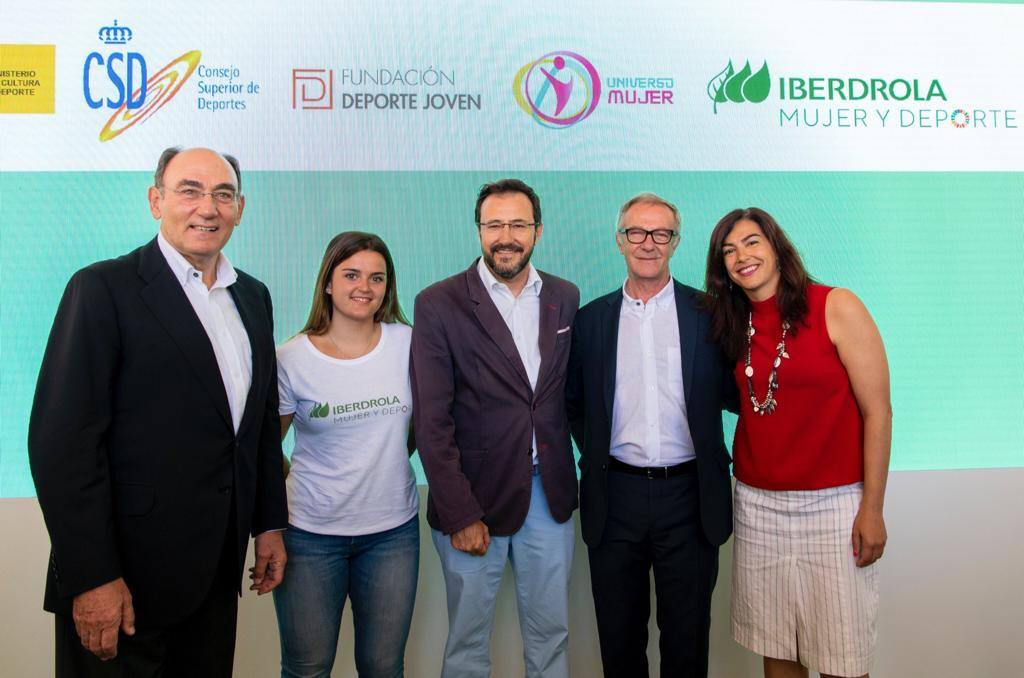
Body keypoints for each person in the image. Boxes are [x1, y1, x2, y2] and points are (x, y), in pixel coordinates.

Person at [28, 147, 288, 677]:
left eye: (223, 194)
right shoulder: (103, 288)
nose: (207, 208)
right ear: (156, 201)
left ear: (241, 208)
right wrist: (92, 577)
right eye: (189, 190)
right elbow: (63, 444)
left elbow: (257, 430)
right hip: (122, 585)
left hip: (215, 580)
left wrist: (269, 525)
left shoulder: (253, 298)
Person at [703, 207, 891, 678]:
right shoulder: (731, 322)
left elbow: (878, 413)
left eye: (750, 242)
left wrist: (872, 507)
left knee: (842, 654)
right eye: (728, 251)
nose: (740, 256)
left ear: (775, 246)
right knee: (777, 644)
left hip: (833, 506)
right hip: (757, 503)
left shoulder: (836, 305)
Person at [411, 179, 580, 678]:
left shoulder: (564, 296)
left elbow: (566, 397)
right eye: (494, 225)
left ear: (538, 230)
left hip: (547, 495)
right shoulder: (439, 302)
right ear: (479, 230)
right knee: (467, 643)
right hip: (472, 499)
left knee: (551, 637)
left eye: (518, 224)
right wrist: (460, 511)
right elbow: (431, 420)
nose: (506, 236)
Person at [566, 193, 737, 678]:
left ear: (675, 242)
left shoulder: (710, 313)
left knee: (687, 644)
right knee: (619, 645)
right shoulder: (591, 321)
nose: (648, 243)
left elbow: (735, 393)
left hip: (690, 498)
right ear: (619, 240)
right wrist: (599, 454)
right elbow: (573, 405)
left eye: (660, 233)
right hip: (614, 497)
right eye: (636, 233)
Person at [272, 232, 419, 678]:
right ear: (328, 284)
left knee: (383, 667)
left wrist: (387, 457)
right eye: (351, 274)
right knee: (308, 668)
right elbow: (267, 449)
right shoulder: (291, 358)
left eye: (377, 277)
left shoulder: (409, 344)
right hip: (310, 536)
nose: (365, 287)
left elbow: (413, 435)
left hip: (392, 534)